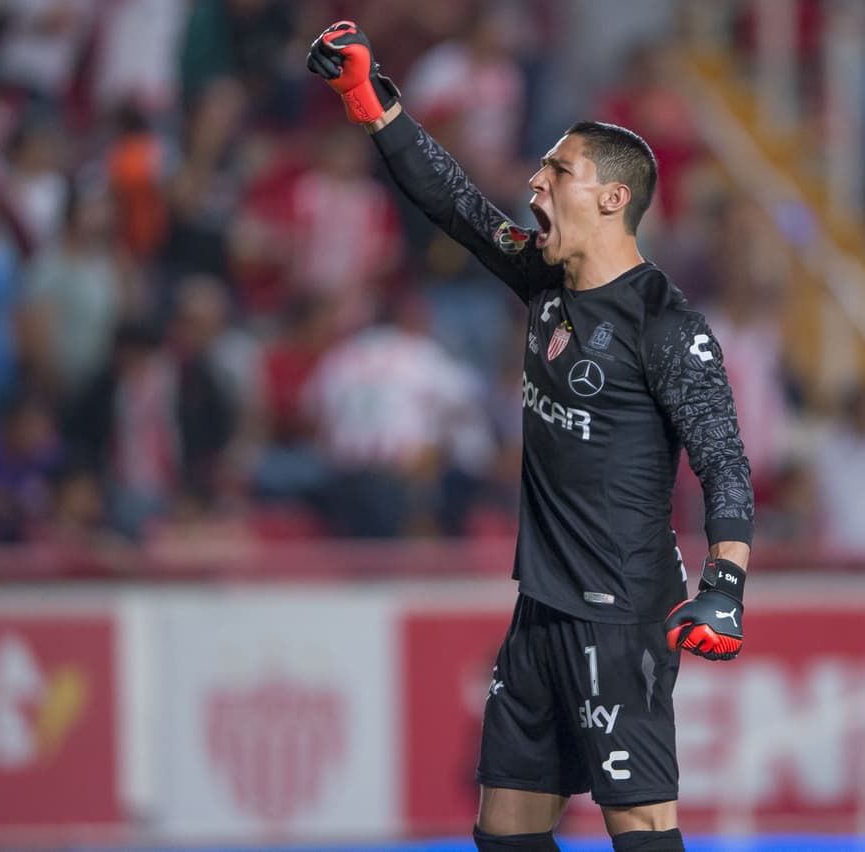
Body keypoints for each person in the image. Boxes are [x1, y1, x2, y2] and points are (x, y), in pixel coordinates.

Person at [308, 21, 754, 852]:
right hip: (541, 609)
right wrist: (371, 103)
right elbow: (458, 206)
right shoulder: (544, 278)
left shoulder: (666, 325)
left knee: (642, 835)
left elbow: (724, 458)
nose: (536, 182)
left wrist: (724, 586)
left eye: (558, 170)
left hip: (621, 616)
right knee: (504, 833)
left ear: (612, 198)